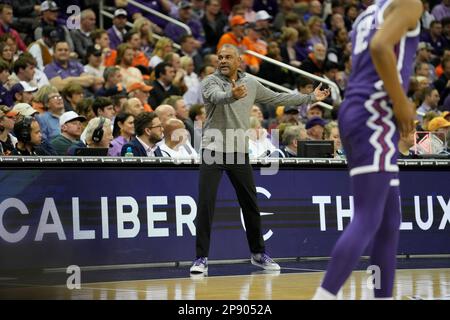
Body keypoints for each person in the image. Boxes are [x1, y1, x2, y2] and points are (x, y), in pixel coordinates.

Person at [313, 0, 422, 300]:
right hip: (375, 112)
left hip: (358, 109)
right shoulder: (409, 3)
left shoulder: (366, 14)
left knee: (388, 220)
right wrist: (401, 103)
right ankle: (323, 296)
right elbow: (380, 47)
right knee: (368, 217)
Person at [190, 44, 330, 274]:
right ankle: (201, 258)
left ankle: (257, 254)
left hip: (238, 151)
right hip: (212, 150)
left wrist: (310, 97)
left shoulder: (251, 83)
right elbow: (217, 97)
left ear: (239, 61)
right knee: (206, 205)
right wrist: (231, 95)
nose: (223, 61)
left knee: (251, 204)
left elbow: (278, 97)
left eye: (228, 57)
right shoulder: (209, 82)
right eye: (220, 57)